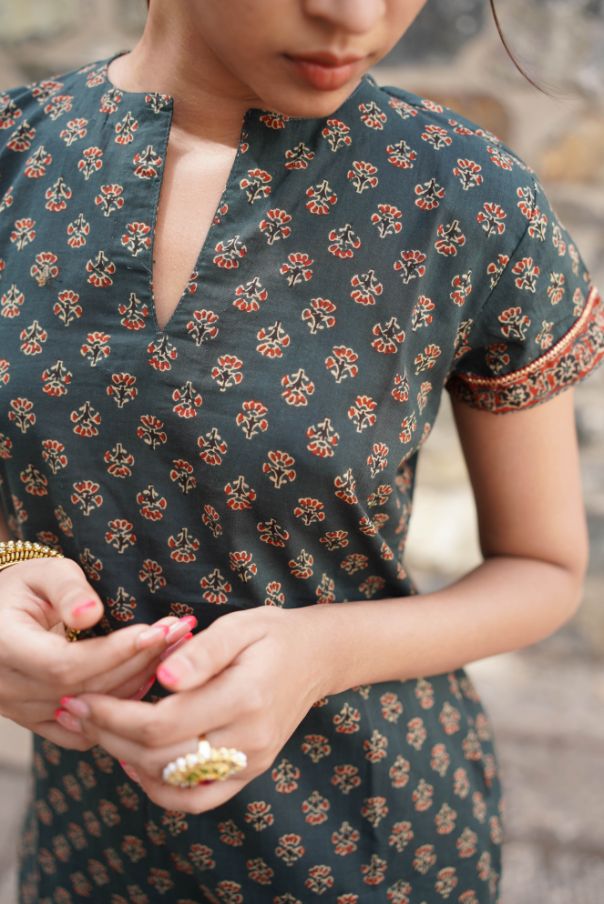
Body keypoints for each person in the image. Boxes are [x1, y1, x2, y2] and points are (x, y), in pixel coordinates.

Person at [1, 0, 602, 900]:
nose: (354, 13)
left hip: (372, 839)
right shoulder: (16, 159)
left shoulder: (468, 199)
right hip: (91, 843)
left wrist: (322, 652)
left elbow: (543, 568)